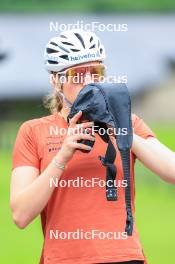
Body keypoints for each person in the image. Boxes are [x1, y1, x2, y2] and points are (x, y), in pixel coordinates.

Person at [10, 30, 175, 264]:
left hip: (124, 257)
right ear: (56, 80)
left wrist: (121, 127)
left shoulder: (128, 121)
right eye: (77, 74)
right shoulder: (33, 131)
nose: (88, 82)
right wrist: (62, 157)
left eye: (95, 73)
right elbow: (20, 215)